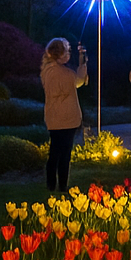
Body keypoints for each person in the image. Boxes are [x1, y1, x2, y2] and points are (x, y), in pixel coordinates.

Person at [41, 37, 87, 193]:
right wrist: (82, 63)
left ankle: (50, 184)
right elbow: (79, 81)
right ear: (60, 54)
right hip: (67, 118)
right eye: (67, 51)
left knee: (54, 152)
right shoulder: (65, 74)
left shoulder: (47, 71)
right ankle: (62, 186)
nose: (69, 54)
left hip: (53, 117)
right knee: (65, 154)